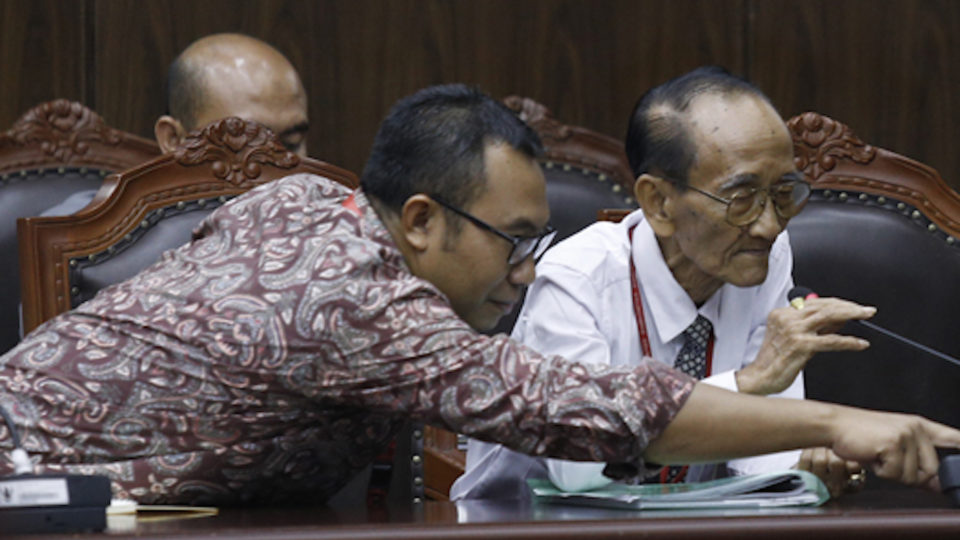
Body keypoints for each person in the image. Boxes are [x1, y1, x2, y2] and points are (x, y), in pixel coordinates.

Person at [0, 84, 957, 506]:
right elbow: (577, 405)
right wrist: (835, 422)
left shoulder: (294, 198)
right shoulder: (362, 308)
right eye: (513, 241)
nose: (530, 268)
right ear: (419, 220)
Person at [451, 67, 874, 500]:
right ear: (659, 202)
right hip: (530, 522)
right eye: (742, 199)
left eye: (784, 193)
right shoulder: (576, 279)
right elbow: (582, 467)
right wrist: (748, 382)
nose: (768, 225)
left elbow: (763, 450)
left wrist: (802, 465)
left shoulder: (762, 253)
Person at [40, 33, 308, 217]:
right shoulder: (93, 239)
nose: (281, 167)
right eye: (248, 143)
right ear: (174, 140)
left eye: (292, 142)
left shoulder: (327, 220)